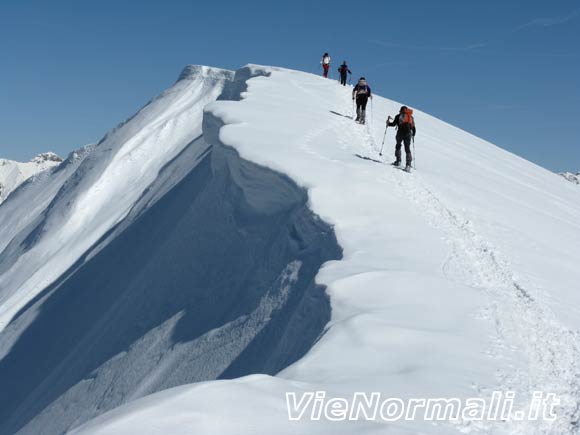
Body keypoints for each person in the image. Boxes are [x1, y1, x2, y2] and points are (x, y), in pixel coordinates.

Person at [387, 106, 416, 171]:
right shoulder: (410, 117)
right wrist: (413, 135)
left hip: (400, 133)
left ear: (400, 110)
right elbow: (414, 128)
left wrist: (388, 124)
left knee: (398, 146)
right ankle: (408, 165)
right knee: (407, 148)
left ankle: (398, 161)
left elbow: (393, 124)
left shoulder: (398, 116)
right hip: (408, 134)